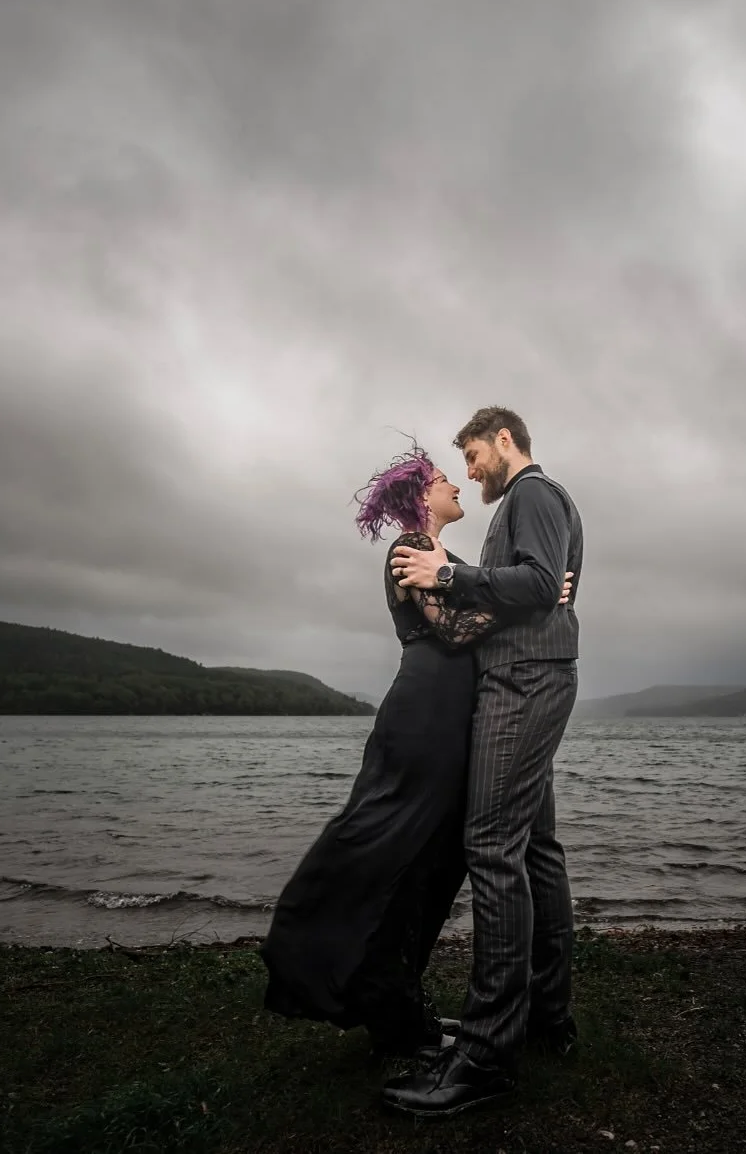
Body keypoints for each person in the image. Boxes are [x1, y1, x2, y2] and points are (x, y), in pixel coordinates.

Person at [259, 443, 572, 1060]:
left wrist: (520, 596)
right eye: (439, 478)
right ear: (416, 496)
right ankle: (371, 996)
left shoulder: (444, 557)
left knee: (438, 863)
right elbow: (454, 632)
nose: (455, 483)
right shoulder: (409, 550)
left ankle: (397, 1006)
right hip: (424, 716)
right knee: (393, 855)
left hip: (455, 718)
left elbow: (477, 607)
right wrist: (536, 600)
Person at [382, 406, 583, 1117]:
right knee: (535, 850)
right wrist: (511, 580)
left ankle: (487, 1054)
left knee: (491, 846)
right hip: (532, 675)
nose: (467, 470)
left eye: (471, 454)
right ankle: (545, 1016)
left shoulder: (532, 492)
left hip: (522, 683)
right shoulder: (535, 503)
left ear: (504, 439)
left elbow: (533, 584)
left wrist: (453, 570)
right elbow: (538, 586)